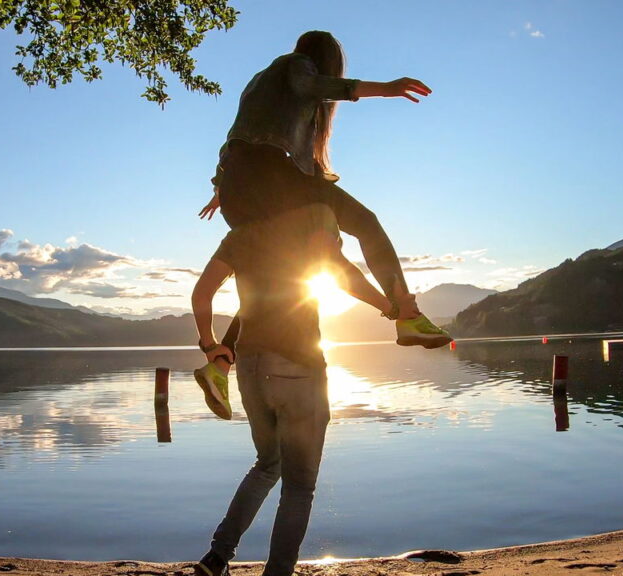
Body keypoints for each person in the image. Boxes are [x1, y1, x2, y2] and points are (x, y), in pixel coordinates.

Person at [193, 30, 452, 420]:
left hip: (239, 188)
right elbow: (309, 84)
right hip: (272, 177)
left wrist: (220, 188)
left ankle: (219, 365)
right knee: (365, 223)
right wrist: (385, 88)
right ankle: (406, 312)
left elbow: (233, 139)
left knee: (269, 281)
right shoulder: (295, 66)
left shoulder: (256, 85)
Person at [191, 201, 385, 576]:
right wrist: (391, 307)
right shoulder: (311, 218)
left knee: (267, 465)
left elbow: (201, 294)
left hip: (249, 368)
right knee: (299, 487)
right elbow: (343, 275)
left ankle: (217, 557)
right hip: (299, 368)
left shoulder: (240, 235)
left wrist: (210, 345)